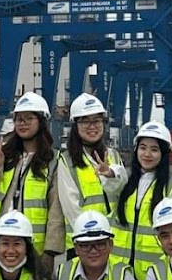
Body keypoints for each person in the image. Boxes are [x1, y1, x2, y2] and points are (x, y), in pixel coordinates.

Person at [46, 92, 128, 248]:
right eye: (85, 121)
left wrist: (111, 174)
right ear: (75, 126)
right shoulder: (67, 161)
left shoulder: (113, 156)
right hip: (83, 243)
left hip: (114, 240)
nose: (92, 126)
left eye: (97, 121)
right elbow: (71, 208)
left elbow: (123, 194)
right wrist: (93, 237)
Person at [0, 93, 56, 258]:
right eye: (19, 119)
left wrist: (50, 252)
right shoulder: (6, 155)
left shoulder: (52, 160)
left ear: (41, 121)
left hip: (34, 243)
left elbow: (55, 209)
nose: (23, 123)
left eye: (29, 118)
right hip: (2, 238)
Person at [111, 119, 172, 280]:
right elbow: (111, 180)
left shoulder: (171, 187)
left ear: (163, 154)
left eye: (154, 149)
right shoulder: (126, 184)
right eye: (142, 148)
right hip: (121, 272)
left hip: (155, 274)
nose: (147, 154)